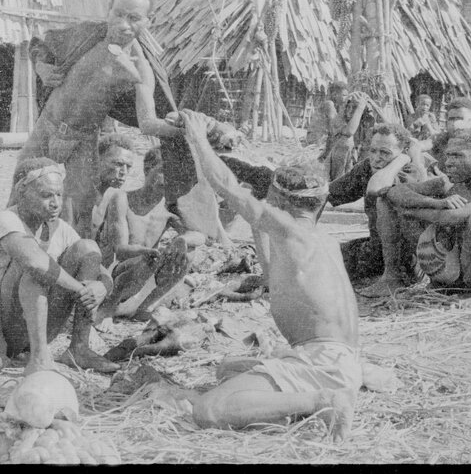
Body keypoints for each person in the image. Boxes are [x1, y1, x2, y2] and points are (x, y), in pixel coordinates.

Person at [145, 110, 360, 441]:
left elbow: (226, 186)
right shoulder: (322, 241)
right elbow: (275, 279)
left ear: (276, 201)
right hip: (341, 361)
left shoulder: (290, 230)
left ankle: (322, 401)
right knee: (227, 370)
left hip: (322, 363)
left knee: (209, 410)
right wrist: (259, 224)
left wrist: (197, 137)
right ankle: (291, 407)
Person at [18, 0, 189, 234]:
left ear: (148, 22)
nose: (123, 24)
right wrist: (42, 68)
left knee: (81, 207)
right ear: (109, 10)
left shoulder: (141, 69)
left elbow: (148, 123)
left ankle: (72, 253)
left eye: (134, 18)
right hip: (47, 127)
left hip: (82, 139)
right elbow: (41, 44)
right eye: (118, 14)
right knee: (21, 192)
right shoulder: (86, 35)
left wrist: (188, 127)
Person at [0, 158, 118, 374]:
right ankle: (40, 357)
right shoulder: (6, 219)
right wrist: (82, 289)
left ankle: (79, 348)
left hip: (34, 323)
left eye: (59, 194)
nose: (56, 203)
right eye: (46, 195)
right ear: (22, 192)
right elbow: (34, 262)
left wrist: (102, 287)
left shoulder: (59, 227)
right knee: (36, 269)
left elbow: (100, 268)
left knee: (87, 248)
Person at [362, 126, 471, 305]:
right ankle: (393, 277)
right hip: (456, 270)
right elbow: (394, 192)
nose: (448, 162)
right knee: (386, 202)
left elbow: (454, 217)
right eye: (448, 155)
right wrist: (435, 203)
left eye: (457, 156)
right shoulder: (451, 183)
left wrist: (412, 210)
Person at [89, 138, 200, 322]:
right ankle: (109, 308)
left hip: (147, 270)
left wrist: (183, 240)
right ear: (147, 169)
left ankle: (144, 306)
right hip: (118, 272)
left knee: (190, 252)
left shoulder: (170, 208)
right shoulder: (123, 199)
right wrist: (146, 252)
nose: (168, 179)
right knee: (147, 259)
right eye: (163, 171)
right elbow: (120, 250)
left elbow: (199, 235)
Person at [325, 124, 429, 281]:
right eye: (373, 150)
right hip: (376, 247)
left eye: (385, 152)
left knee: (325, 265)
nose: (376, 158)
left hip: (405, 256)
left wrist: (403, 159)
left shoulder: (410, 171)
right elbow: (329, 193)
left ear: (402, 151)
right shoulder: (369, 167)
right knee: (322, 253)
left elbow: (376, 188)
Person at [322, 90, 372, 181]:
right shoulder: (338, 121)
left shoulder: (366, 127)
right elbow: (349, 131)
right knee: (344, 142)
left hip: (353, 169)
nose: (349, 111)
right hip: (334, 172)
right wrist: (359, 107)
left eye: (354, 108)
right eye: (348, 107)